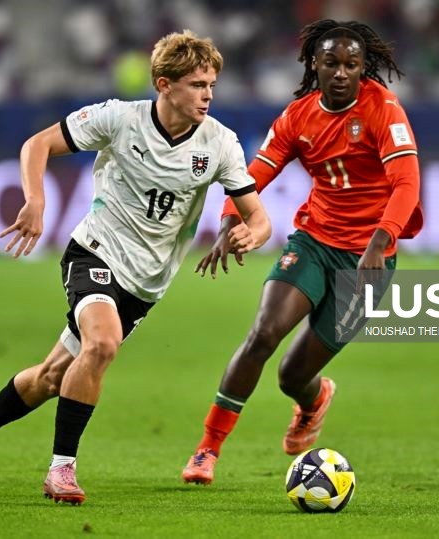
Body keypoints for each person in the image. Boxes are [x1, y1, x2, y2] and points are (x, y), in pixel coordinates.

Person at [0, 29, 271, 505]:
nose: (207, 95)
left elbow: (258, 217)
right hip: (96, 250)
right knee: (102, 343)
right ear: (164, 84)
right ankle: (61, 471)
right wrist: (35, 200)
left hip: (147, 280)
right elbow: (38, 145)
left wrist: (251, 234)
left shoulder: (220, 143)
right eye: (197, 84)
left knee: (54, 377)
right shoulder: (119, 118)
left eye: (211, 85)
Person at [181, 19, 423, 485]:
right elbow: (252, 174)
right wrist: (230, 218)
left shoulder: (384, 110)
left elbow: (407, 183)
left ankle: (313, 400)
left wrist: (381, 240)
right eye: (330, 62)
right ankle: (206, 450)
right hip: (315, 242)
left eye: (351, 64)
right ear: (315, 64)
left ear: (363, 68)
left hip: (370, 260)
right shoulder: (298, 116)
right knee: (262, 335)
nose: (340, 72)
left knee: (292, 376)